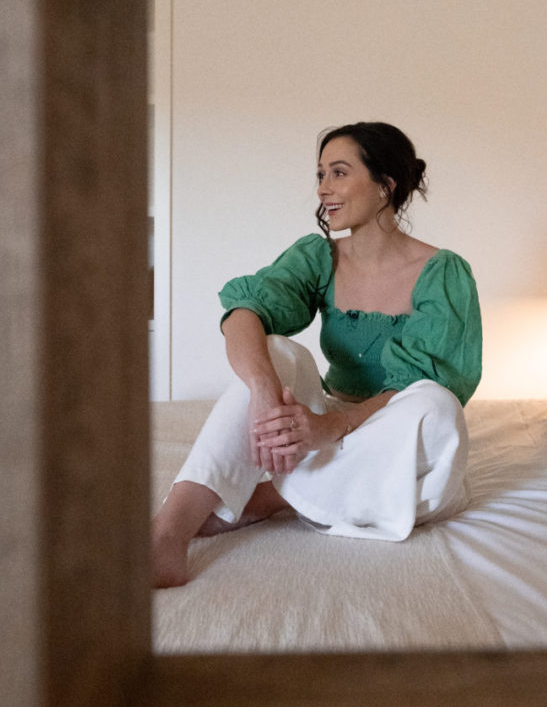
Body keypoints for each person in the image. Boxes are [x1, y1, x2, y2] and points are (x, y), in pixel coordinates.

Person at [151, 121, 482, 588]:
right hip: (322, 423)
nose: (323, 189)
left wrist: (331, 429)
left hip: (386, 428)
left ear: (385, 185)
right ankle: (169, 531)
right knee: (278, 350)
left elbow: (431, 382)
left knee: (437, 407)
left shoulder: (442, 271)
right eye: (321, 174)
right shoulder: (319, 256)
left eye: (339, 173)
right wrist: (266, 392)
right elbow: (244, 311)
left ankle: (269, 499)